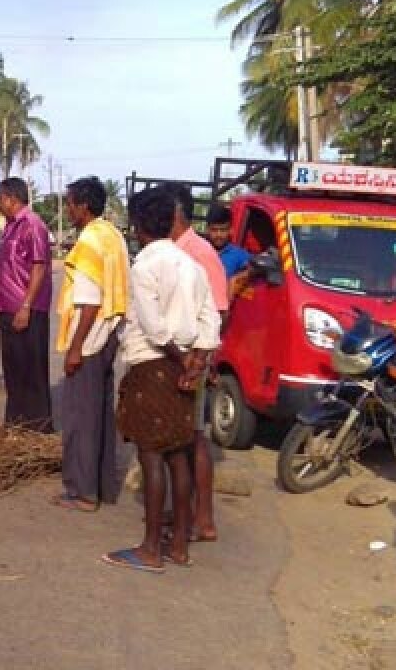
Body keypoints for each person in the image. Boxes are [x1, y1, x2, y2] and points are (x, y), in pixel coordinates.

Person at [102, 189, 218, 573]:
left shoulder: (145, 267)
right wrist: (196, 360)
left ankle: (151, 549)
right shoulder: (192, 265)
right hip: (185, 367)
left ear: (136, 226)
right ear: (172, 221)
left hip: (154, 365)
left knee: (152, 455)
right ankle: (180, 544)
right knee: (179, 454)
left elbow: (152, 326)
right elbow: (210, 319)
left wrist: (183, 358)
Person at [53, 176, 130, 512]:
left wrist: (75, 348)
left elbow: (88, 301)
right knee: (100, 415)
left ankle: (82, 492)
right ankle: (101, 485)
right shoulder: (113, 235)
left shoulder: (88, 242)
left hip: (90, 338)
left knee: (80, 418)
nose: (68, 209)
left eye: (70, 203)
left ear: (83, 206)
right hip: (111, 335)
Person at [162, 182, 226, 543]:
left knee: (193, 438)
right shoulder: (174, 250)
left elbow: (219, 310)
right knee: (181, 437)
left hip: (192, 358)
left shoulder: (200, 253)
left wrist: (202, 359)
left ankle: (202, 519)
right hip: (179, 356)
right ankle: (185, 511)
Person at [0, 177, 53, 433]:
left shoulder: (32, 225)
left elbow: (39, 266)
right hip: (7, 308)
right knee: (14, 371)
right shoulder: (9, 227)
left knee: (32, 372)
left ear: (11, 199)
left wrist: (25, 306)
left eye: (0, 198)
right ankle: (16, 424)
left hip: (27, 309)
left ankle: (38, 429)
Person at [206, 203, 250, 291]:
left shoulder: (239, 255)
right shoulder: (198, 249)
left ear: (230, 230)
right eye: (214, 230)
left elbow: (255, 267)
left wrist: (236, 278)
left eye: (223, 230)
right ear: (207, 230)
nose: (219, 235)